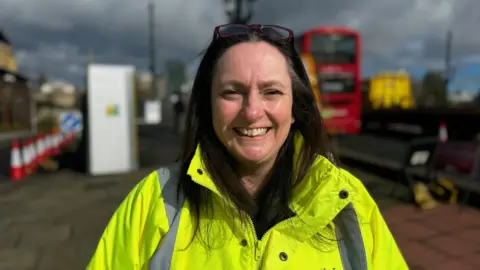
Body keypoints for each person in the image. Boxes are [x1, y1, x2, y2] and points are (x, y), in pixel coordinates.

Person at [87, 24, 407, 269]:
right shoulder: (153, 201)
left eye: (271, 92)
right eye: (232, 92)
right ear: (207, 105)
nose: (252, 111)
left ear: (296, 108)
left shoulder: (350, 202)